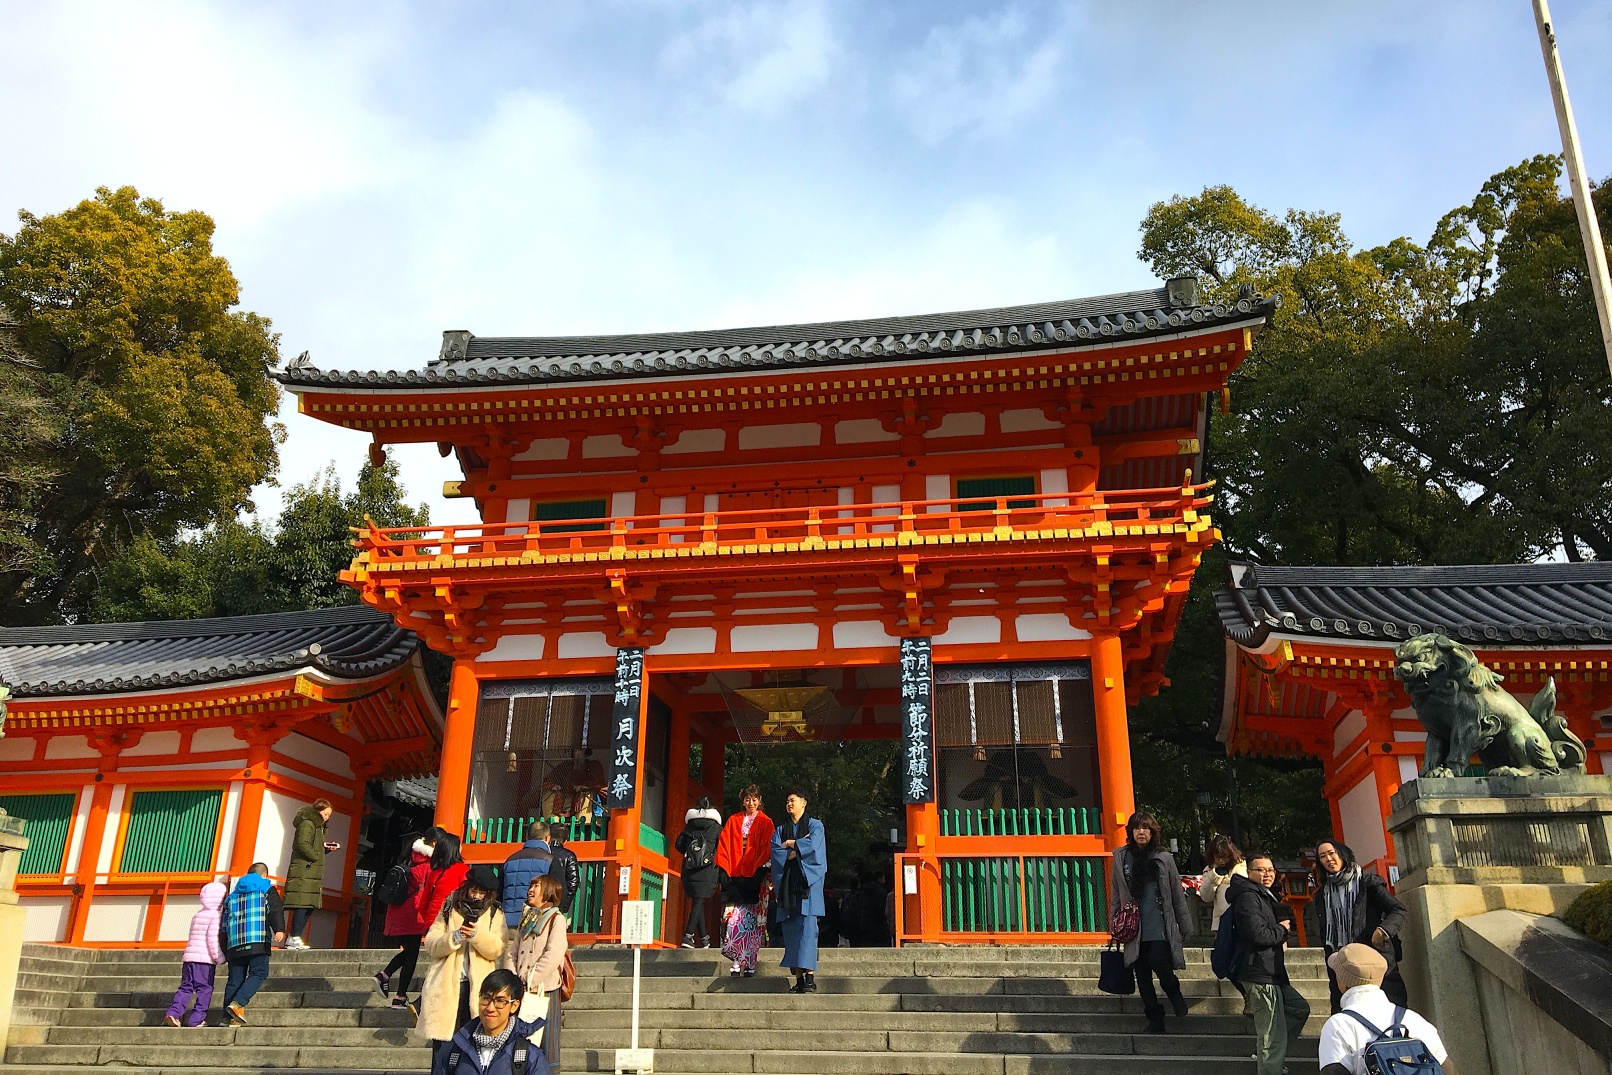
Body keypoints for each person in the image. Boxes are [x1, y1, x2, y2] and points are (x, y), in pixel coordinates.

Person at [1109, 811, 1193, 1034]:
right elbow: (1116, 893)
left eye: (1145, 828)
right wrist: (1114, 923)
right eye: (1137, 828)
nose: (1141, 832)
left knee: (1161, 964)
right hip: (1133, 925)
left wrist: (1184, 925)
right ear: (1131, 832)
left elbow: (1176, 893)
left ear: (1152, 831)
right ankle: (1155, 1018)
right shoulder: (1121, 857)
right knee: (1142, 975)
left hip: (1158, 921)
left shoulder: (1163, 858)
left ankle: (1174, 992)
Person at [1229, 854, 1311, 1075]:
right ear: (1249, 873)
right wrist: (1282, 930)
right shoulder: (1248, 897)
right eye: (1261, 870)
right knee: (1270, 1035)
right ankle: (1270, 1065)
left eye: (1271, 870)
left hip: (1271, 971)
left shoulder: (1264, 896)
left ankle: (1273, 1058)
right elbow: (1257, 934)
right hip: (1258, 971)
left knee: (1299, 1009)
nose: (1267, 874)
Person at [417, 864, 508, 1061]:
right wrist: (455, 937)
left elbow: (498, 948)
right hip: (446, 984)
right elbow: (431, 943)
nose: (476, 896)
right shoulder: (450, 905)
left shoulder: (494, 912)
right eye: (473, 891)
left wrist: (476, 936)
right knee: (442, 1048)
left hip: (480, 988)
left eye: (481, 893)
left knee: (473, 1046)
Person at [1318, 943, 1451, 1075]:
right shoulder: (1415, 1020)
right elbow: (1449, 1070)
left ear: (1342, 981)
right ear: (1380, 979)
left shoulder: (1337, 1026)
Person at [1314, 838, 1408, 1012]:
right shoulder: (1322, 894)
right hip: (1343, 961)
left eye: (1331, 853)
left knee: (1390, 1006)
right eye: (1322, 856)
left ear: (1342, 854)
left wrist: (1383, 931)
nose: (1328, 859)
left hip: (1374, 956)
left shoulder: (1367, 882)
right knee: (1345, 1009)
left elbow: (1398, 910)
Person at [430, 967, 551, 1075]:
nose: (490, 1008)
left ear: (514, 1005)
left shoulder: (529, 1057)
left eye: (500, 1001)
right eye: (486, 998)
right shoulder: (455, 1050)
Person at [505, 875, 569, 1071]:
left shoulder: (556, 919)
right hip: (520, 989)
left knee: (547, 1042)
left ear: (548, 891)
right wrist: (514, 977)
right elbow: (512, 951)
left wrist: (532, 978)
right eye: (531, 885)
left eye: (536, 886)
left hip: (544, 988)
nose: (530, 889)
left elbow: (555, 953)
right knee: (519, 1041)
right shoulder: (527, 917)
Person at [769, 786, 826, 994]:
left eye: (793, 799)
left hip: (807, 887)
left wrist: (792, 845)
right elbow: (776, 852)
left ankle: (810, 977)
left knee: (808, 931)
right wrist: (799, 848)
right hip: (787, 888)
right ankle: (799, 979)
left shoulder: (816, 825)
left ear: (804, 802)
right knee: (792, 932)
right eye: (787, 801)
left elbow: (815, 847)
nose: (789, 803)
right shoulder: (780, 830)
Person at [374, 829, 438, 1012]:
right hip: (414, 914)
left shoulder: (409, 860)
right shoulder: (428, 866)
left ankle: (386, 977)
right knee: (411, 955)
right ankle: (399, 994)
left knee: (409, 952)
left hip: (398, 912)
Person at [715, 784, 774, 975]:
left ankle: (750, 962)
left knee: (754, 924)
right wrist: (724, 869)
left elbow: (768, 847)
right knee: (734, 922)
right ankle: (736, 960)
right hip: (735, 874)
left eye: (754, 799)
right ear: (743, 801)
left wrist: (759, 870)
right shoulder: (733, 821)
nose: (751, 803)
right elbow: (724, 846)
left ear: (760, 800)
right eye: (748, 799)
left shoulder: (766, 822)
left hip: (755, 876)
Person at [218, 863, 285, 1025]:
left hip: (234, 942)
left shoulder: (232, 895)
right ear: (264, 875)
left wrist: (224, 946)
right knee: (259, 972)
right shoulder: (265, 889)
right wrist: (279, 929)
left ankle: (227, 1019)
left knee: (234, 980)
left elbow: (224, 924)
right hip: (257, 939)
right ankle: (238, 1003)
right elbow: (275, 910)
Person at [163, 880, 225, 1027]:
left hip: (189, 957)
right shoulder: (216, 916)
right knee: (204, 989)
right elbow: (212, 940)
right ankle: (196, 1019)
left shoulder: (197, 915)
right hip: (205, 960)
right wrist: (220, 958)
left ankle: (174, 1012)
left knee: (186, 987)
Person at [283, 798, 340, 950]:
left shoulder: (318, 828)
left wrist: (325, 849)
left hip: (310, 871)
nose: (327, 817)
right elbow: (302, 844)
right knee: (302, 904)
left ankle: (295, 936)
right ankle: (293, 936)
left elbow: (311, 846)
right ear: (318, 810)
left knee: (309, 905)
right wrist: (316, 855)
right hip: (304, 870)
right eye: (326, 814)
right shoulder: (307, 823)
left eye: (329, 815)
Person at [675, 797, 723, 948]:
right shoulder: (716, 828)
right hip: (708, 870)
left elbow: (678, 845)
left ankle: (704, 938)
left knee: (697, 901)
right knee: (699, 900)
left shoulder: (689, 826)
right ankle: (688, 936)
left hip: (689, 868)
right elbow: (723, 848)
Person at [500, 821, 554, 929]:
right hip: (538, 922)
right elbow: (557, 892)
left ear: (526, 836)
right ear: (548, 838)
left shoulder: (510, 860)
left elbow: (499, 891)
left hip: (509, 921)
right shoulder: (551, 860)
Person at [418, 830, 471, 937]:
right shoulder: (462, 870)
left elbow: (423, 903)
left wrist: (429, 919)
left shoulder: (434, 872)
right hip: (452, 922)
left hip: (432, 922)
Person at [1197, 835, 1246, 932]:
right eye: (1218, 857)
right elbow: (1206, 897)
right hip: (1221, 923)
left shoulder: (1241, 868)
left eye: (1225, 857)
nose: (1221, 861)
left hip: (1240, 920)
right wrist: (1215, 877)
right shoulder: (1209, 871)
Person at [547, 829, 581, 920]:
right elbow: (573, 882)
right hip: (558, 901)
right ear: (566, 839)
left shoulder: (542, 853)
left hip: (540, 901)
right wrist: (564, 905)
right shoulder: (569, 855)